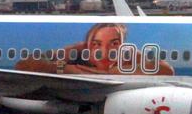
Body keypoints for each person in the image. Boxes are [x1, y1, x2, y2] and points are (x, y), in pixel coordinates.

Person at [16, 23, 173, 75]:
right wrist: (65, 66)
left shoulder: (130, 56)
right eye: (96, 44)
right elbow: (23, 66)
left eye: (114, 44)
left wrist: (80, 71)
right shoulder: (76, 53)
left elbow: (166, 70)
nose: (104, 52)